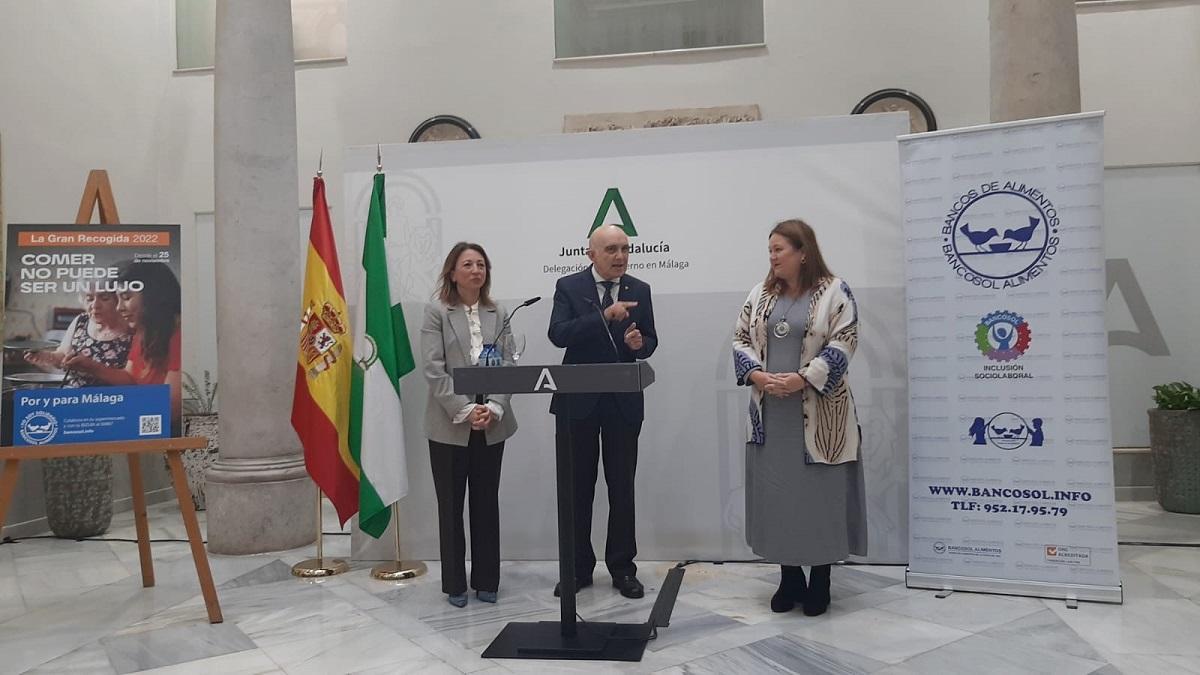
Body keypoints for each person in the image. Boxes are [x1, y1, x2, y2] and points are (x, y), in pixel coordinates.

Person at [731, 218, 866, 616]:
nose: (772, 257)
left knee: (819, 497)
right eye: (770, 250)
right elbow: (740, 337)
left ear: (803, 252)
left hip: (821, 415)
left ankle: (820, 580)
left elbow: (845, 341)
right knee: (779, 498)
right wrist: (755, 373)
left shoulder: (834, 291)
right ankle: (789, 577)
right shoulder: (761, 294)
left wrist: (803, 379)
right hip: (771, 417)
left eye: (779, 250)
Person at [548, 224, 658, 599]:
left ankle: (623, 569)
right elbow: (558, 334)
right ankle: (577, 569)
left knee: (621, 488)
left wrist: (639, 343)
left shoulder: (639, 290)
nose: (620, 257)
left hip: (623, 402)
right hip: (578, 404)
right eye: (611, 249)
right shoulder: (569, 287)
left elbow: (650, 340)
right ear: (591, 254)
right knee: (578, 489)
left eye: (625, 249)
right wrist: (603, 317)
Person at [421, 242, 518, 608]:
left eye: (481, 264)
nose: (476, 270)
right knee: (450, 505)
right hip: (449, 424)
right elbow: (433, 368)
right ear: (453, 272)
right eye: (468, 264)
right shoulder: (437, 313)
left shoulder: (499, 311)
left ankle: (487, 580)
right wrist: (465, 410)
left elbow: (510, 364)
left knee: (485, 502)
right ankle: (455, 584)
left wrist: (492, 407)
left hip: (492, 422)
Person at [64, 262, 182, 431]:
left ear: (153, 296)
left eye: (126, 298)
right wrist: (90, 366)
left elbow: (171, 409)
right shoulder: (144, 331)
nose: (119, 307)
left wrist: (107, 416)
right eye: (118, 299)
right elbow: (130, 378)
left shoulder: (179, 335)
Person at [25, 286, 131, 388]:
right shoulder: (81, 320)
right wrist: (44, 356)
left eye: (104, 298)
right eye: (89, 299)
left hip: (113, 399)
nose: (95, 305)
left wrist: (92, 367)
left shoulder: (132, 328)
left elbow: (132, 380)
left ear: (118, 299)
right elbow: (62, 355)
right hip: (75, 396)